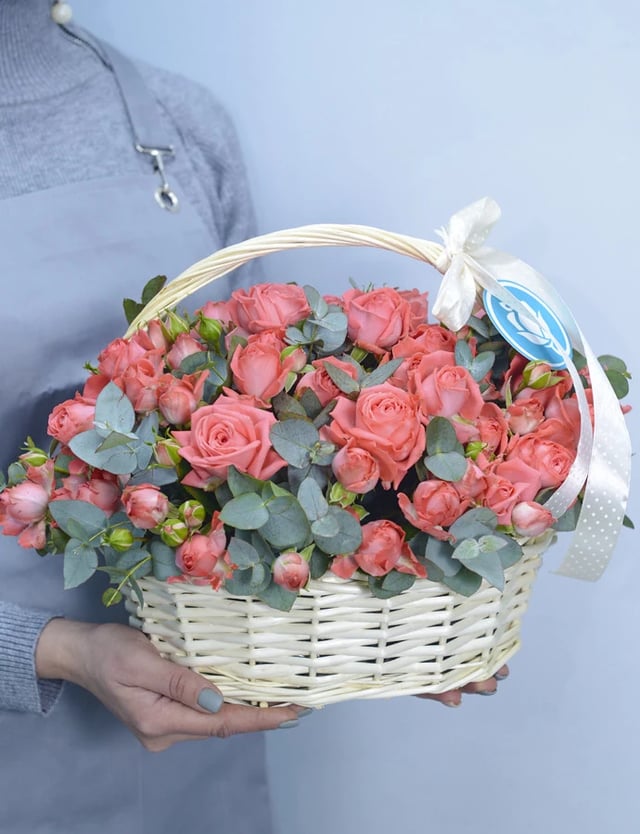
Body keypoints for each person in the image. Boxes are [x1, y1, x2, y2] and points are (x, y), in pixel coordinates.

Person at [0, 2, 505, 832]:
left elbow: (265, 414)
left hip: (197, 723)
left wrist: (387, 612)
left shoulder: (176, 122)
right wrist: (51, 650)